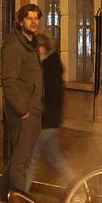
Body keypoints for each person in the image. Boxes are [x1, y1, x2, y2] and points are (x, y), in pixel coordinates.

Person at [0, 4, 44, 203]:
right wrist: (22, 109)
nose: (34, 22)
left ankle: (5, 202)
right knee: (21, 161)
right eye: (29, 18)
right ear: (20, 21)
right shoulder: (14, 46)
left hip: (32, 108)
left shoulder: (31, 44)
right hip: (24, 110)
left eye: (36, 19)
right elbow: (8, 80)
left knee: (17, 158)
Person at [26, 33, 67, 181]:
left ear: (43, 49)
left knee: (29, 158)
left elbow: (43, 96)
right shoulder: (50, 66)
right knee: (56, 161)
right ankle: (80, 188)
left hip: (45, 122)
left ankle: (19, 197)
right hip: (50, 121)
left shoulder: (48, 69)